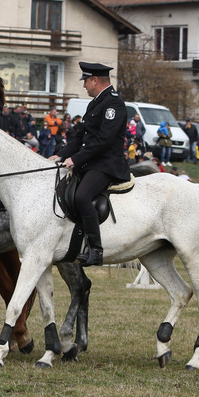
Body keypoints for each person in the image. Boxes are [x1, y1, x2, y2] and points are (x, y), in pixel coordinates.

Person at [51, 62, 130, 267]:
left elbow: (104, 140)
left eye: (86, 81)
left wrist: (76, 159)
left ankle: (96, 249)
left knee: (82, 196)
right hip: (91, 163)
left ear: (95, 80)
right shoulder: (95, 103)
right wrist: (59, 156)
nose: (84, 85)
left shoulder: (114, 104)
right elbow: (80, 138)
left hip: (107, 164)